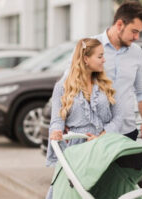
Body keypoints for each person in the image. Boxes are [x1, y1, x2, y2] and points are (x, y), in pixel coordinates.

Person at [60, 1, 142, 141]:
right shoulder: (89, 46)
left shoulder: (137, 52)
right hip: (92, 133)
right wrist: (62, 120)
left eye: (139, 33)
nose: (137, 38)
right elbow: (67, 84)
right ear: (119, 25)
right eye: (134, 31)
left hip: (126, 132)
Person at [46, 38, 122, 199]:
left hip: (103, 146)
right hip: (76, 150)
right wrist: (56, 132)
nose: (104, 59)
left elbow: (118, 118)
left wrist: (101, 137)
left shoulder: (107, 85)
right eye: (100, 56)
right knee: (74, 192)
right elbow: (57, 120)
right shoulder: (62, 87)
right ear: (86, 59)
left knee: (105, 191)